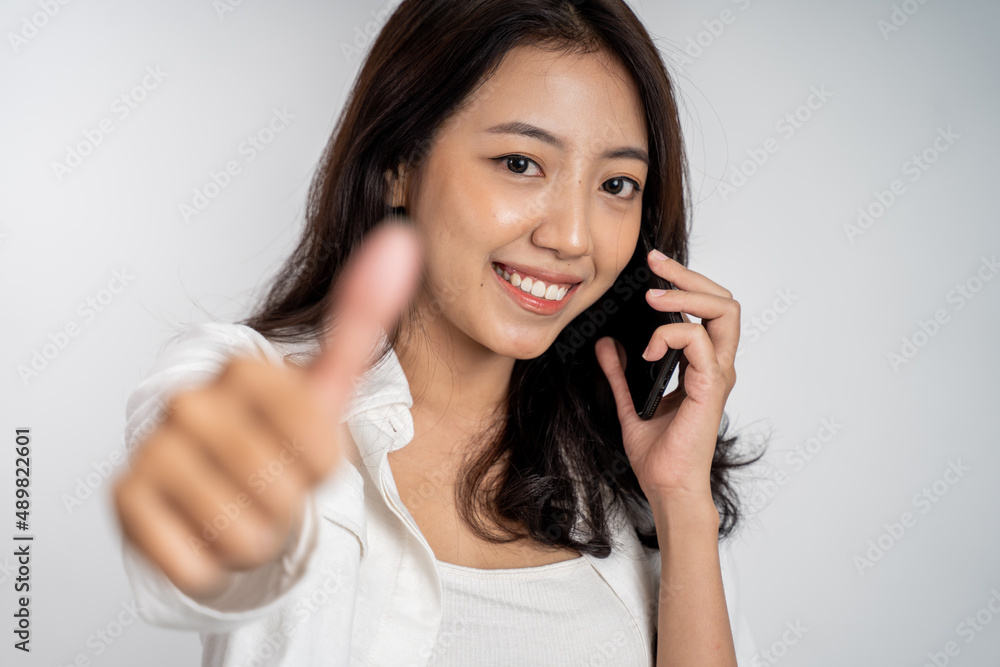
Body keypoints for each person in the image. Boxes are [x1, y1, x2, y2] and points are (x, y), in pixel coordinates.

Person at [112, 0, 765, 664]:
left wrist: (683, 504)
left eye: (617, 184)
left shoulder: (639, 479)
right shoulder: (242, 382)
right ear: (401, 163)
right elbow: (196, 554)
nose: (572, 236)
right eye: (520, 163)